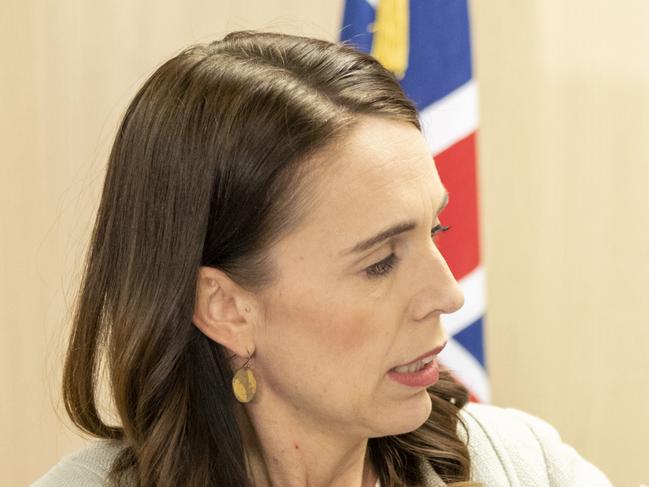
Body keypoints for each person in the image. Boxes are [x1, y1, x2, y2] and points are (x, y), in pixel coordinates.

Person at [30, 30, 613, 487]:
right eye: (381, 261)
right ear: (226, 307)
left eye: (436, 229)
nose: (448, 293)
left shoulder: (520, 464)